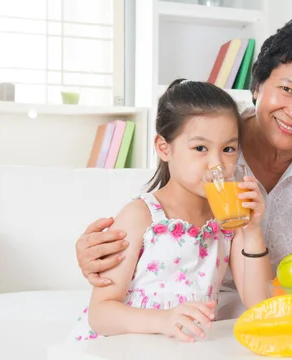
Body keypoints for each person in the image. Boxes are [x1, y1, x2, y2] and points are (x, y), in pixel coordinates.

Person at [73, 17, 292, 318]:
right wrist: (98, 251)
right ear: (258, 86)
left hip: (260, 315)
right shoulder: (213, 130)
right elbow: (148, 227)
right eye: (286, 89)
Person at [69, 80, 271, 342]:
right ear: (164, 148)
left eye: (228, 149)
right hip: (123, 346)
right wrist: (163, 320)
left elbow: (261, 305)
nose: (217, 163)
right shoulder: (141, 216)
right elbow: (100, 313)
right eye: (200, 148)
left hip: (181, 349)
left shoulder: (228, 220)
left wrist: (253, 231)